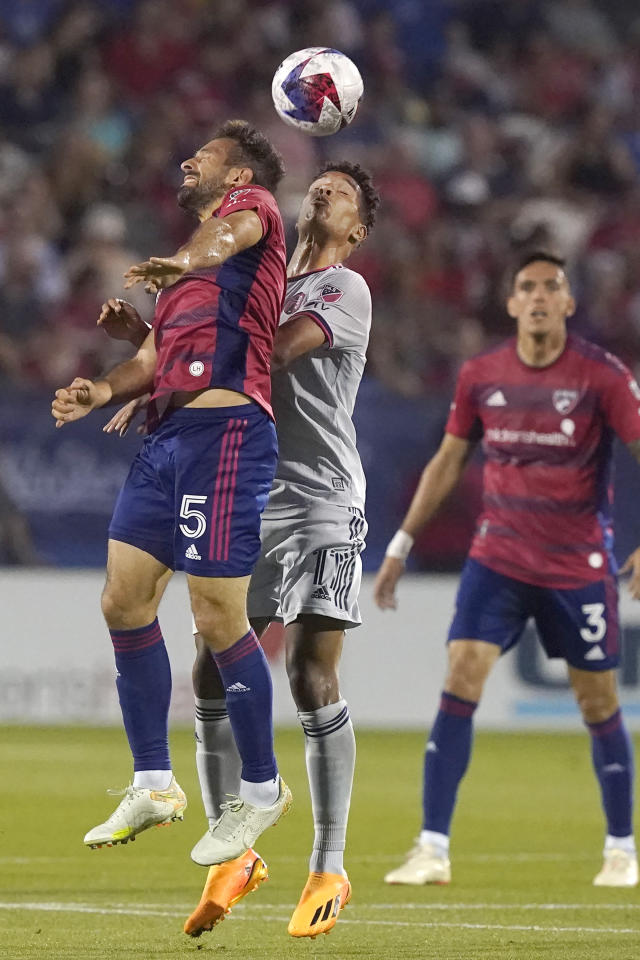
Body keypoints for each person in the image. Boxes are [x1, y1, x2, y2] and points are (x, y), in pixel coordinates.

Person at [103, 161, 380, 937]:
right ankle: (240, 852)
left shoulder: (343, 289)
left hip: (324, 499)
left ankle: (329, 866)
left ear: (356, 229)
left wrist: (175, 353)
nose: (324, 191)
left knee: (309, 673)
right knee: (210, 668)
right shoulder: (261, 277)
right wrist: (155, 357)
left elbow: (274, 352)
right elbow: (226, 342)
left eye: (343, 192)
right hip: (248, 484)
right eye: (318, 182)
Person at [50, 120, 292, 860]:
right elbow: (153, 360)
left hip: (227, 437)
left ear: (238, 174)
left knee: (218, 615)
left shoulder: (250, 218)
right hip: (166, 443)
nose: (188, 161)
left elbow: (222, 239)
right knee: (122, 600)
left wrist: (181, 262)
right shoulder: (187, 281)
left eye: (205, 157)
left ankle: (260, 791)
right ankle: (154, 782)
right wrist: (97, 389)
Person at [374, 251, 639, 889]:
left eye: (553, 287)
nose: (541, 296)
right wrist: (400, 544)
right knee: (462, 674)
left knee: (597, 699)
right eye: (528, 287)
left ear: (569, 304)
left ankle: (622, 847)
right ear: (513, 303)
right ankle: (431, 847)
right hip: (497, 558)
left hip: (578, 564)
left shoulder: (603, 377)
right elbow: (447, 461)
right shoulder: (481, 374)